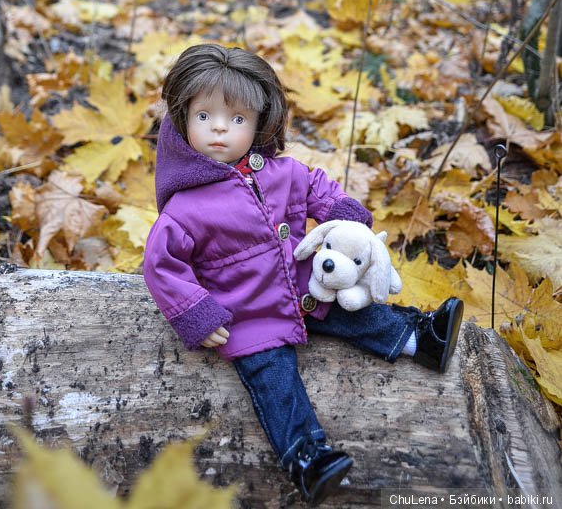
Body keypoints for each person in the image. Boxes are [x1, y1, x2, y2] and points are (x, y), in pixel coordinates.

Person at [143, 44, 463, 505]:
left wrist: (343, 212)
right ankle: (306, 457)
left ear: (257, 124)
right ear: (181, 122)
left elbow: (314, 184)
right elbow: (161, 264)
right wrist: (195, 312)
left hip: (302, 286)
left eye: (236, 119)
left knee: (356, 313)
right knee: (276, 383)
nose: (219, 128)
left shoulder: (279, 172)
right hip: (248, 314)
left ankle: (421, 340)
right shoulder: (185, 208)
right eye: (204, 116)